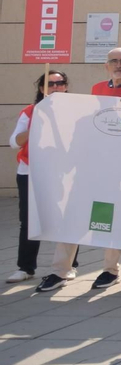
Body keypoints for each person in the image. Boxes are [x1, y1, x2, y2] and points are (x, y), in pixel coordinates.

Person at [78, 48, 121, 291]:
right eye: (114, 61)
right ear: (106, 66)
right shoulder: (97, 89)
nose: (119, 65)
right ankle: (100, 269)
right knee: (103, 213)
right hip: (102, 164)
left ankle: (113, 268)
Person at [8, 71, 71, 286]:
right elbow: (14, 142)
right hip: (30, 172)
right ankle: (25, 267)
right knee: (28, 221)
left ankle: (69, 266)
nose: (55, 87)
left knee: (66, 219)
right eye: (49, 84)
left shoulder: (75, 110)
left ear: (65, 87)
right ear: (41, 89)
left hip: (62, 173)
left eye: (59, 83)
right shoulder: (30, 112)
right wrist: (37, 124)